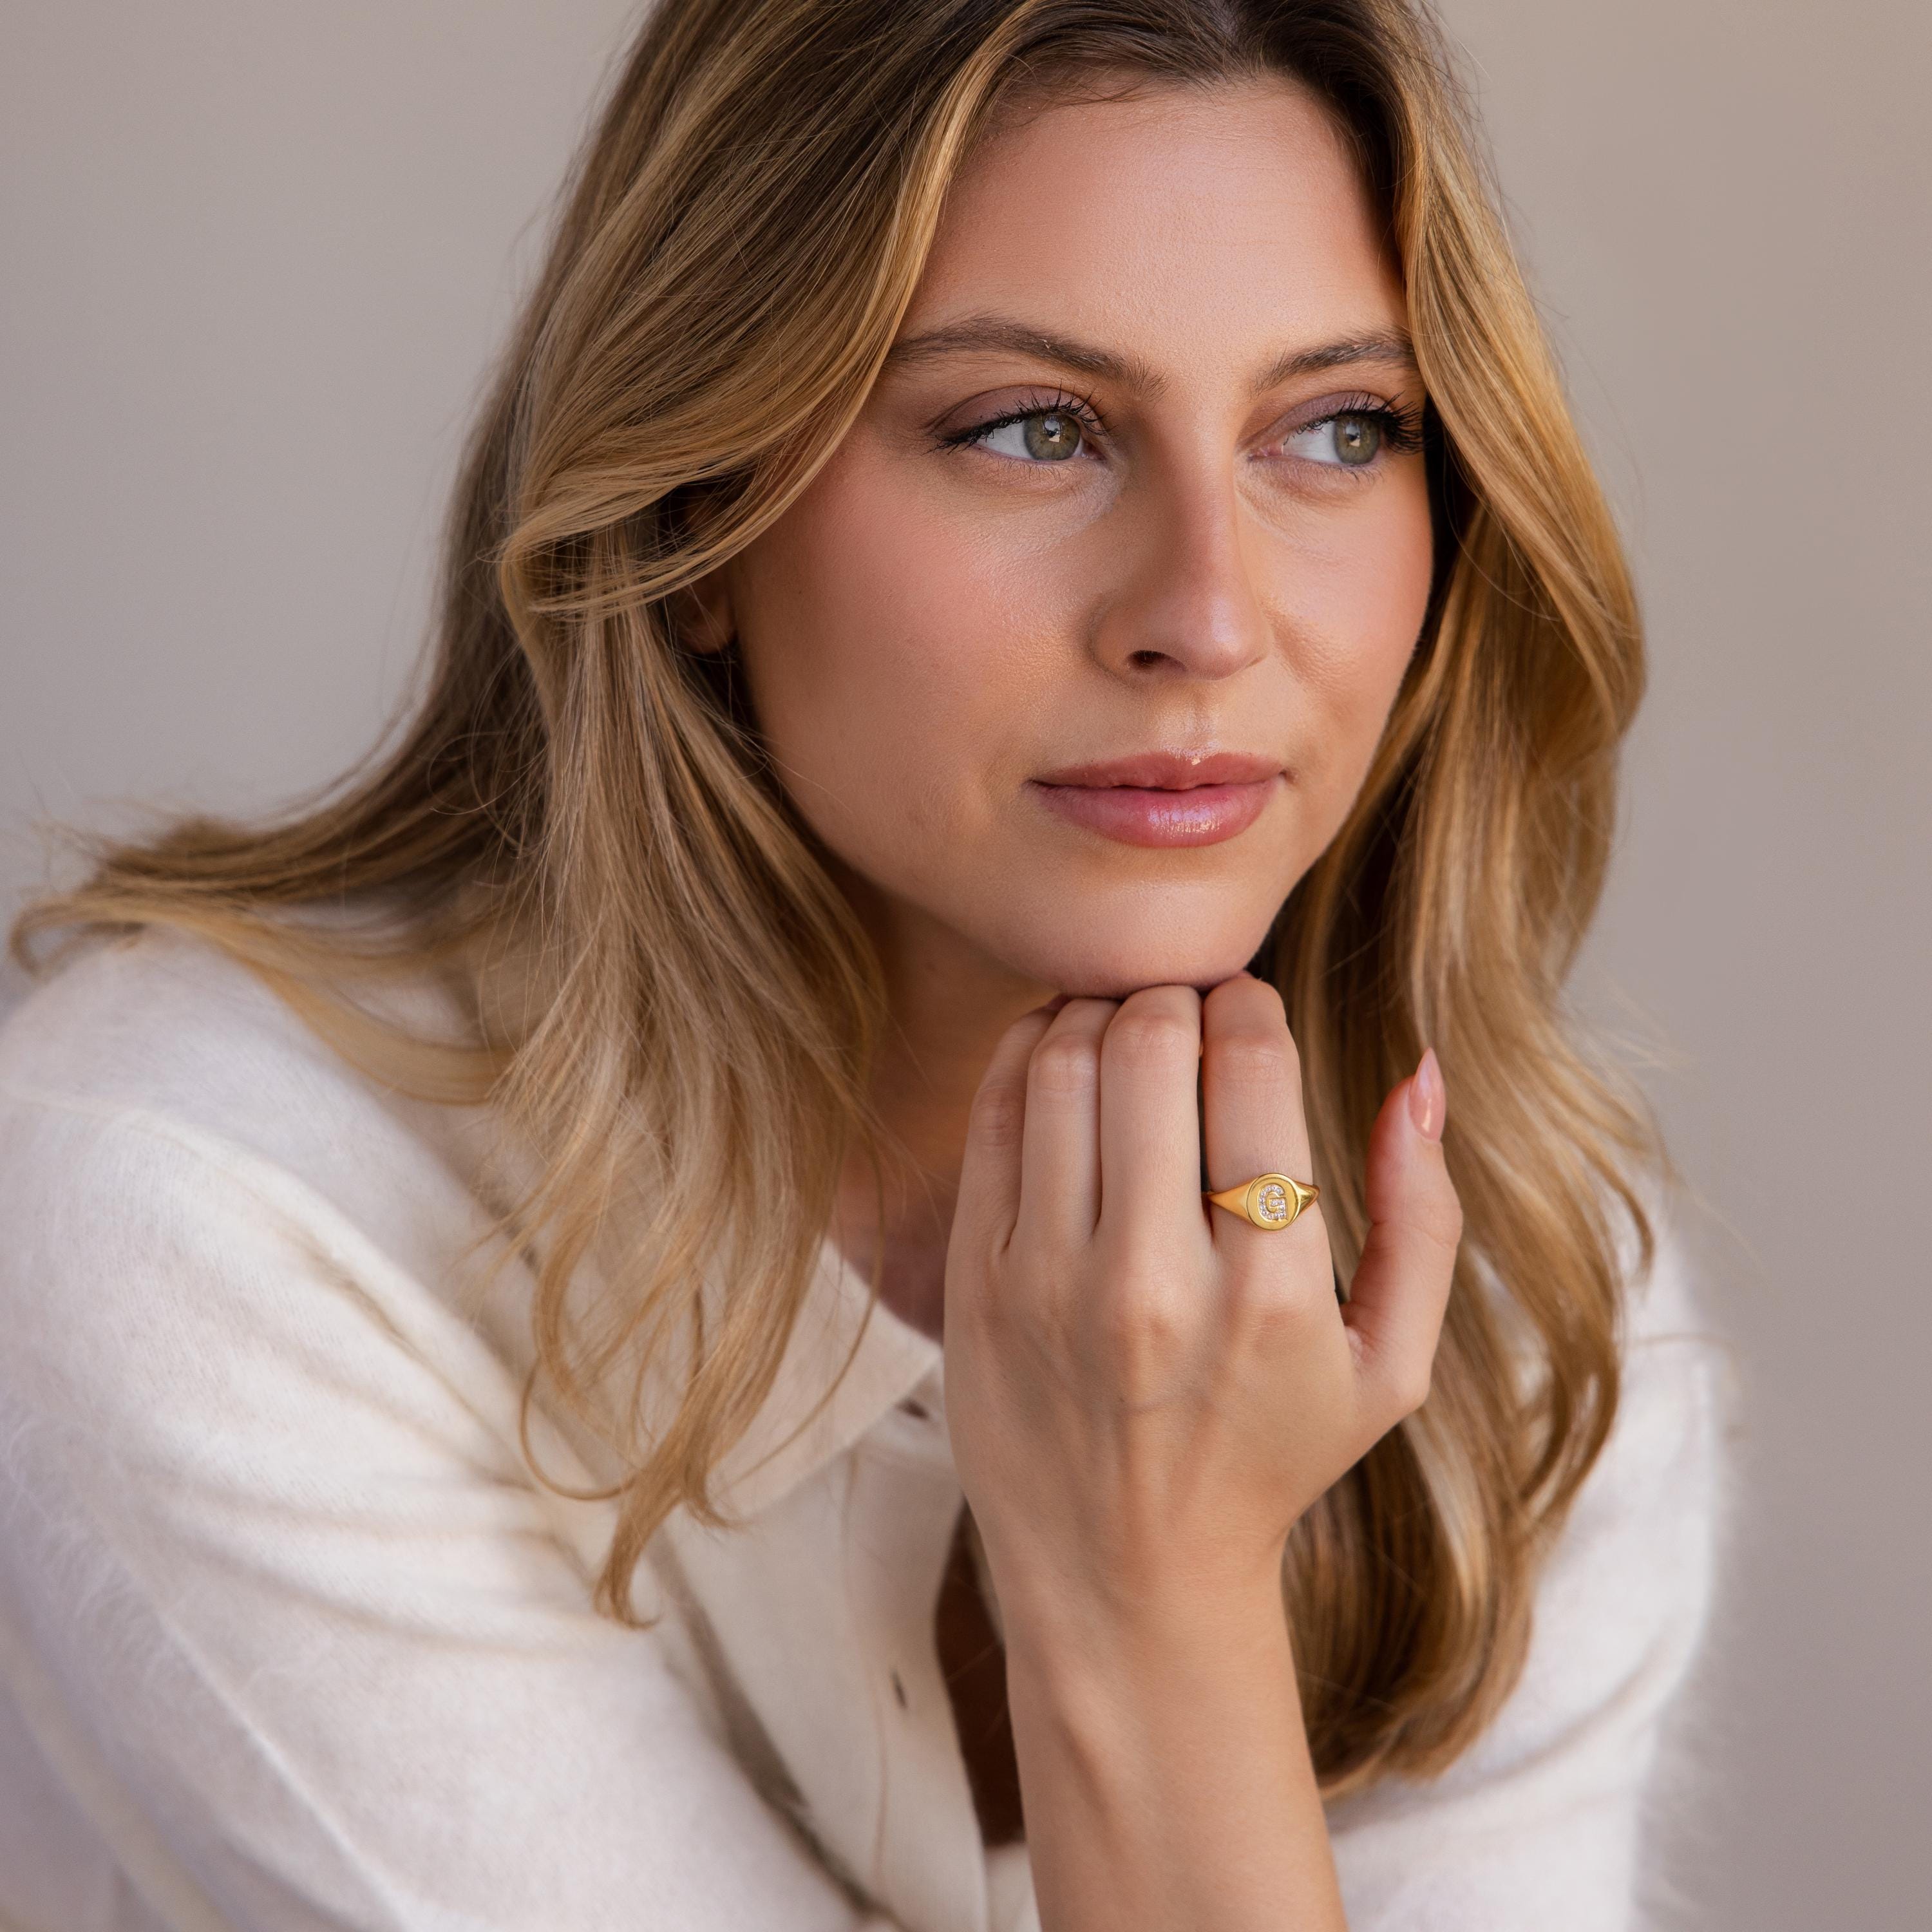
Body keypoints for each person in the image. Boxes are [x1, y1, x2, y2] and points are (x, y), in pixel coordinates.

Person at [0, 1, 1734, 1927]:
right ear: (697, 513)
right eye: (1032, 428)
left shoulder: (1517, 1287)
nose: (1210, 616)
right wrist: (1149, 1608)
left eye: (1337, 429)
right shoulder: (203, 1210)